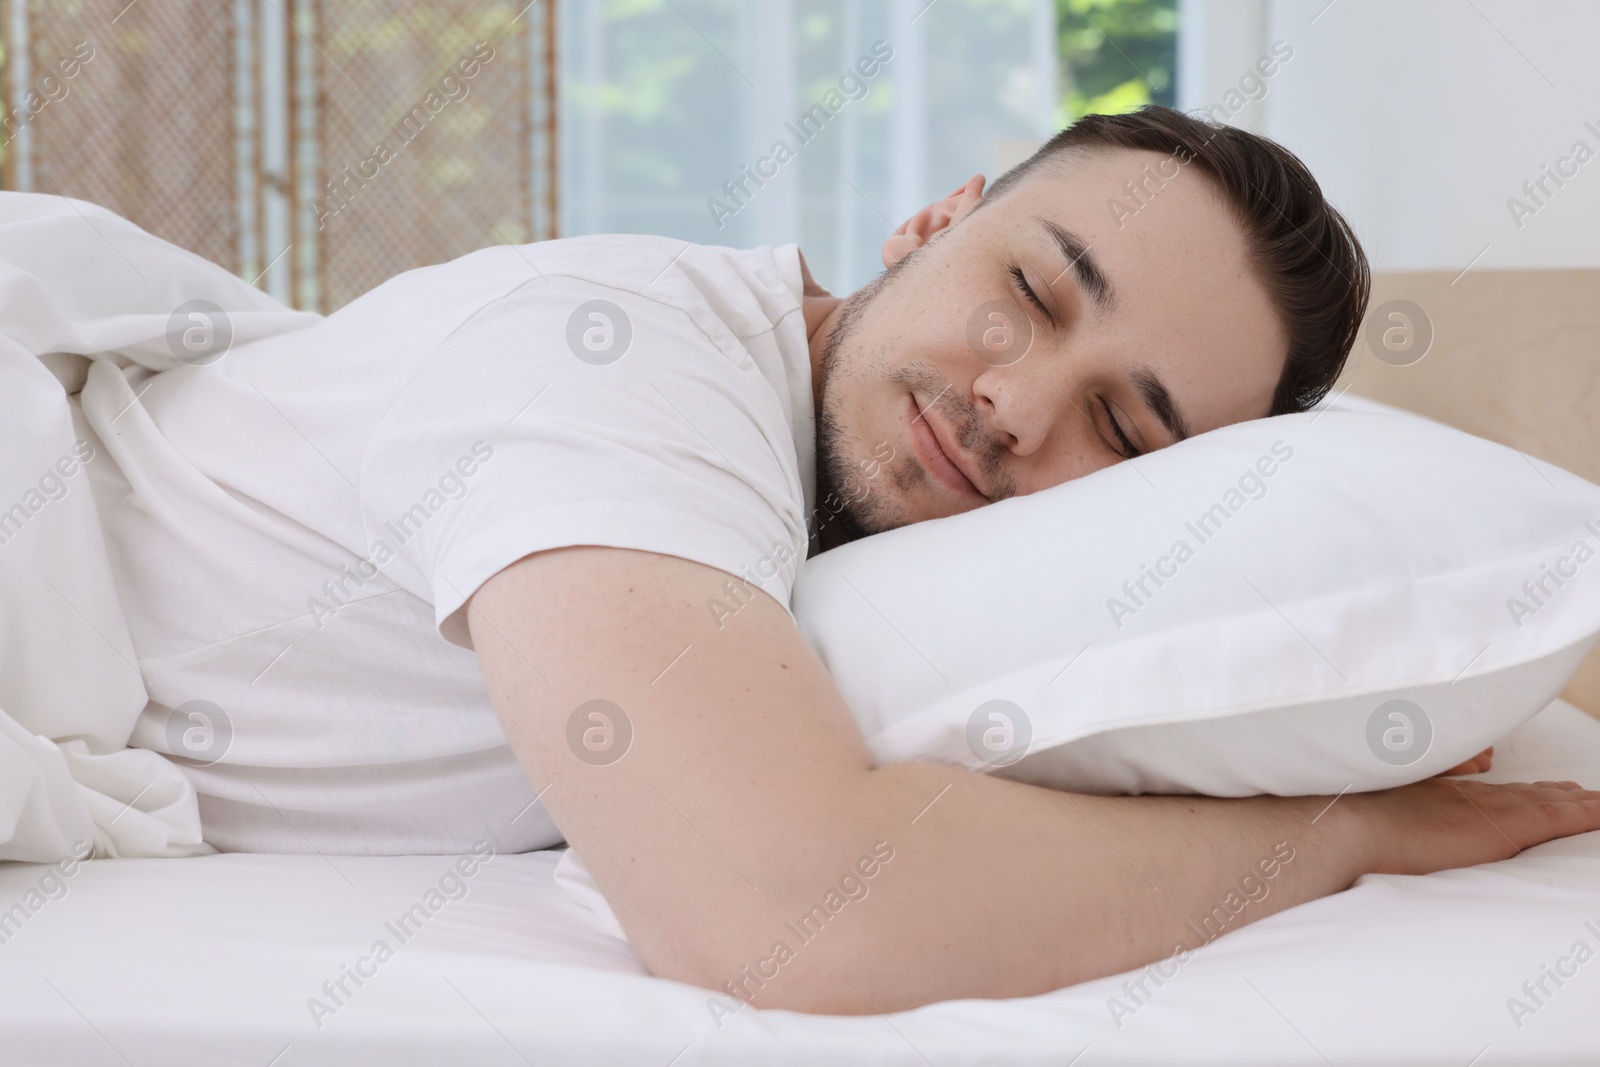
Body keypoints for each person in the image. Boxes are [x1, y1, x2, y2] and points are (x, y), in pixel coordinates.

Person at [92, 106, 1600, 1013]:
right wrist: (1338, 838)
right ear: (938, 217)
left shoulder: (833, 539)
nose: (1013, 402)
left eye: (1125, 437)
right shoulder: (621, 359)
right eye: (1027, 290)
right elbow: (789, 911)